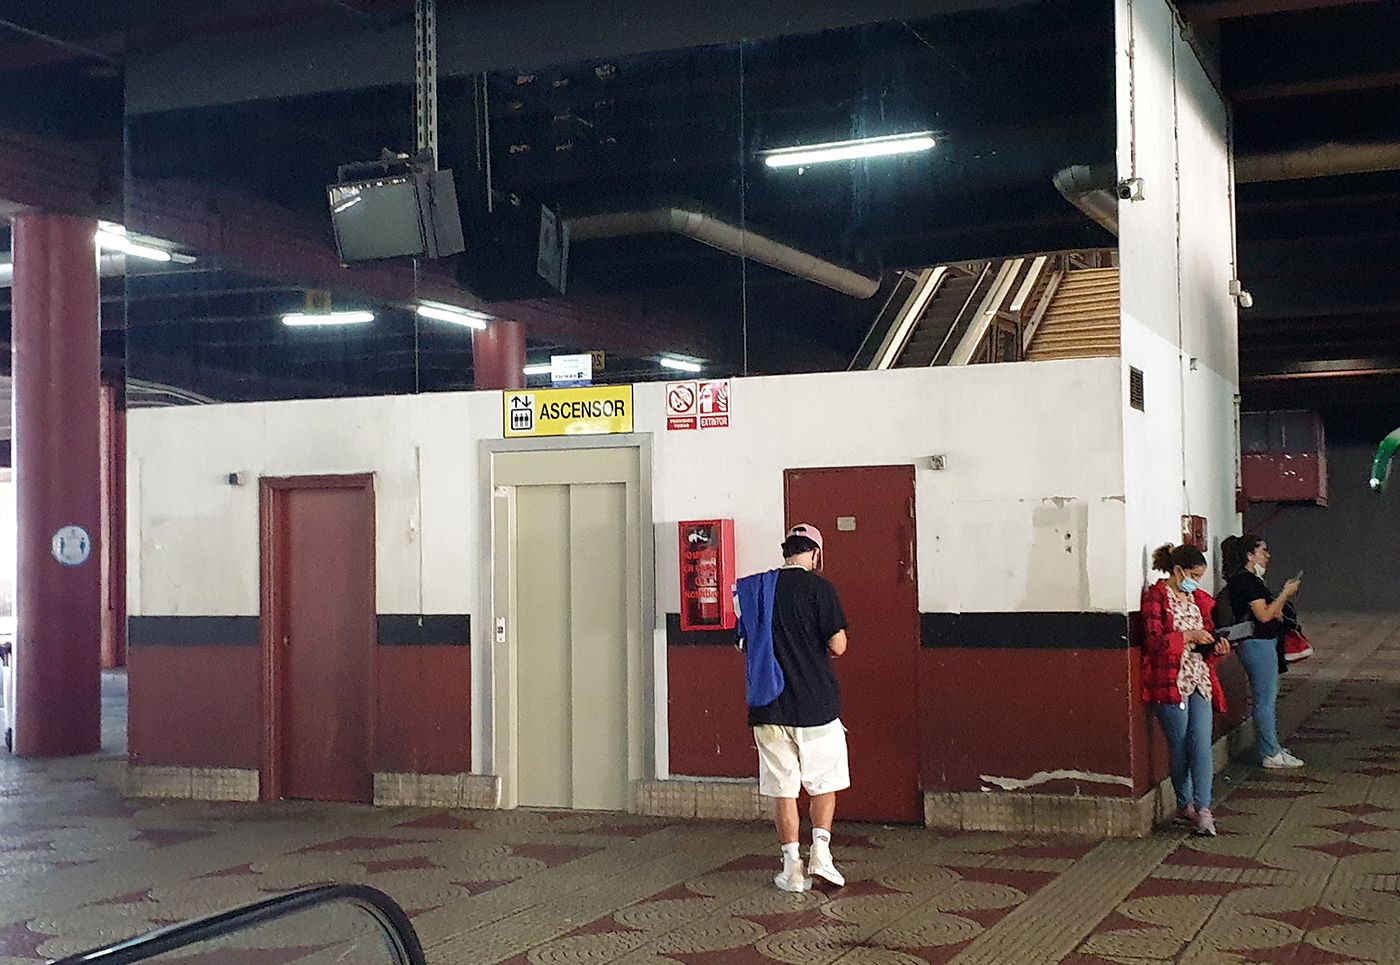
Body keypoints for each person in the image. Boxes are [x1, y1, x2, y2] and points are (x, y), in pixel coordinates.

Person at [735, 523, 850, 892]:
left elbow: (742, 644)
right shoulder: (821, 589)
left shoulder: (755, 591)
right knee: (823, 784)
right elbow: (839, 645)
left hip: (769, 706)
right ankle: (822, 856)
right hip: (816, 705)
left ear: (786, 550)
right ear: (816, 553)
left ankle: (791, 869)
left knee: (784, 789)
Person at [1142, 542, 1230, 837]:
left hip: (1199, 677)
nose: (1196, 582)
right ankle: (1185, 802)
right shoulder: (1156, 598)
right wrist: (1188, 635)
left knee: (1201, 743)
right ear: (1178, 571)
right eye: (1193, 574)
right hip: (1170, 681)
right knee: (1180, 745)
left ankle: (1204, 808)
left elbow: (1208, 633)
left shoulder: (1197, 600)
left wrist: (1216, 645)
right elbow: (1155, 642)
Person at [1221, 533, 1304, 769]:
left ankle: (1274, 746)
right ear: (1250, 555)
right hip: (1257, 644)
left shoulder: (1247, 581)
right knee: (1264, 700)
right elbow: (1264, 615)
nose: (1267, 555)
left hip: (1261, 643)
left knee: (1267, 697)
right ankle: (1270, 752)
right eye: (1263, 550)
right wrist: (1285, 594)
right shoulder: (1248, 582)